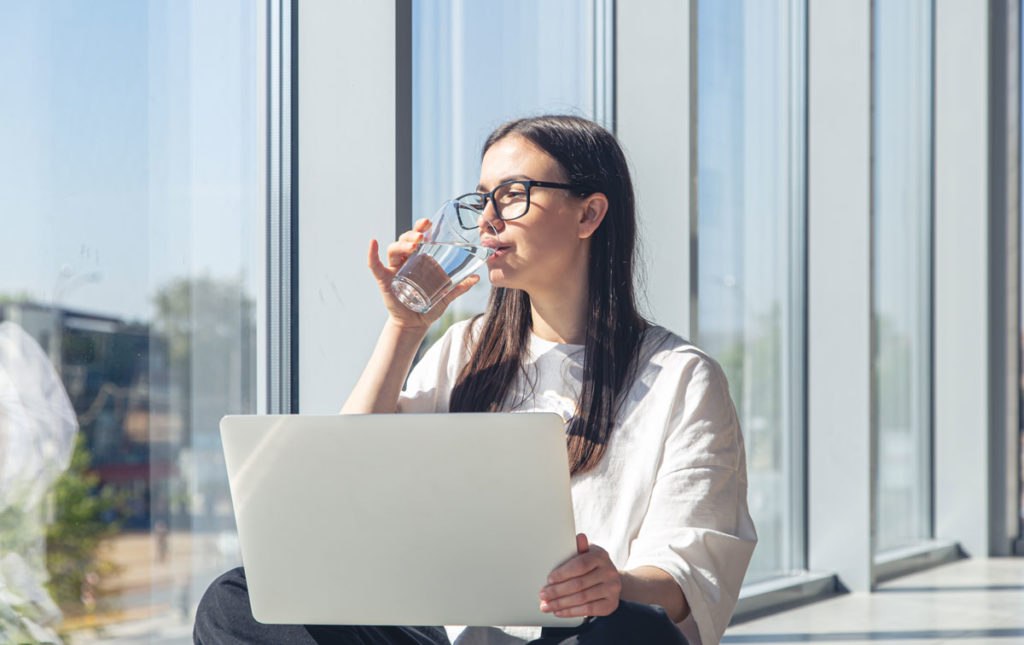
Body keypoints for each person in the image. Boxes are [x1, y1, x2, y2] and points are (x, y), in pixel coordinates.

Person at [194, 115, 757, 645]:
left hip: (583, 634)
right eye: (482, 198)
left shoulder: (682, 380)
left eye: (512, 195)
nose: (487, 220)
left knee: (624, 632)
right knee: (236, 599)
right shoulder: (467, 349)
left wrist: (612, 586)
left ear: (589, 215)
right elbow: (347, 478)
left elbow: (691, 573)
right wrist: (405, 327)